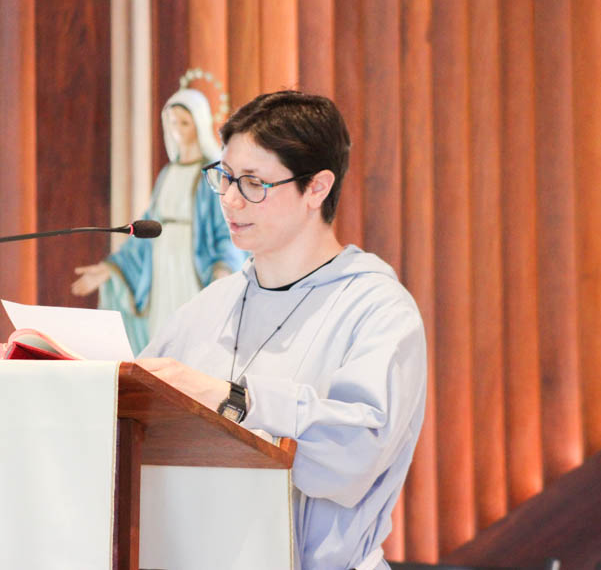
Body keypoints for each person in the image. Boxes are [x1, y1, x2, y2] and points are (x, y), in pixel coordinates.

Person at [136, 90, 427, 570]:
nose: (230, 200)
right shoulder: (207, 307)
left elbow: (353, 459)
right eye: (226, 177)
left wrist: (235, 400)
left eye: (253, 183)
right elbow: (135, 419)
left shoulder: (377, 309)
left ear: (316, 188)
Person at [71, 88, 246, 353]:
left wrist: (225, 267)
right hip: (162, 265)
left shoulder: (211, 174)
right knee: (164, 330)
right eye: (173, 122)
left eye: (184, 123)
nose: (178, 130)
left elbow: (224, 224)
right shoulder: (167, 173)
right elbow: (148, 228)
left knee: (194, 331)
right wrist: (111, 268)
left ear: (199, 124)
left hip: (193, 265)